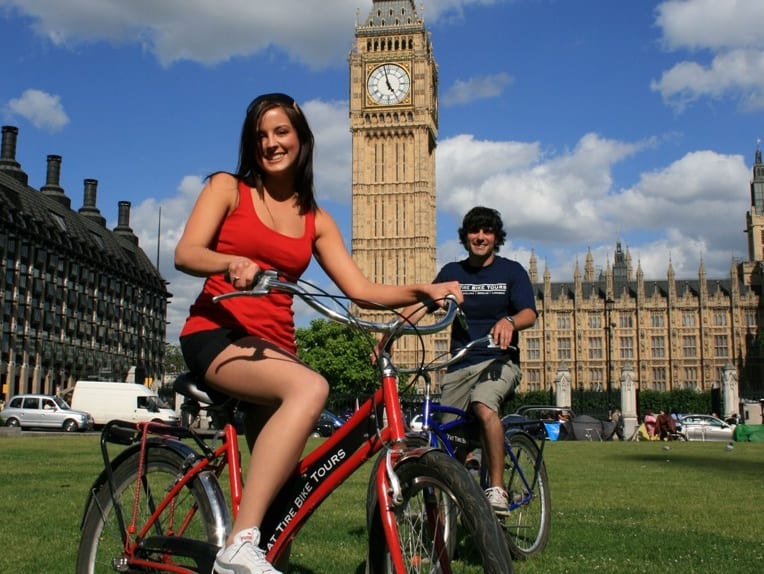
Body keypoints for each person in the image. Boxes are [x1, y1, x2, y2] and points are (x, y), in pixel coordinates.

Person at [174, 92, 462, 574]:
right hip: (216, 333)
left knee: (284, 507)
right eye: (261, 135)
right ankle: (237, 545)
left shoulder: (316, 219)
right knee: (313, 385)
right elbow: (186, 253)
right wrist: (231, 261)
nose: (270, 143)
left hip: (274, 351)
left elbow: (360, 288)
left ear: (301, 139)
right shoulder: (228, 189)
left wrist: (422, 289)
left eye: (281, 132)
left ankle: (254, 551)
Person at [397, 206, 537, 513]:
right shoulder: (452, 274)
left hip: (499, 361)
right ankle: (448, 508)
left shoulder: (512, 272)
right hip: (460, 364)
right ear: (466, 236)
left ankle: (497, 488)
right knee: (446, 438)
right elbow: (423, 305)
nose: (480, 237)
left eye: (487, 231)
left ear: (496, 237)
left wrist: (510, 322)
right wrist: (389, 336)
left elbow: (529, 313)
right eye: (475, 231)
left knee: (483, 405)